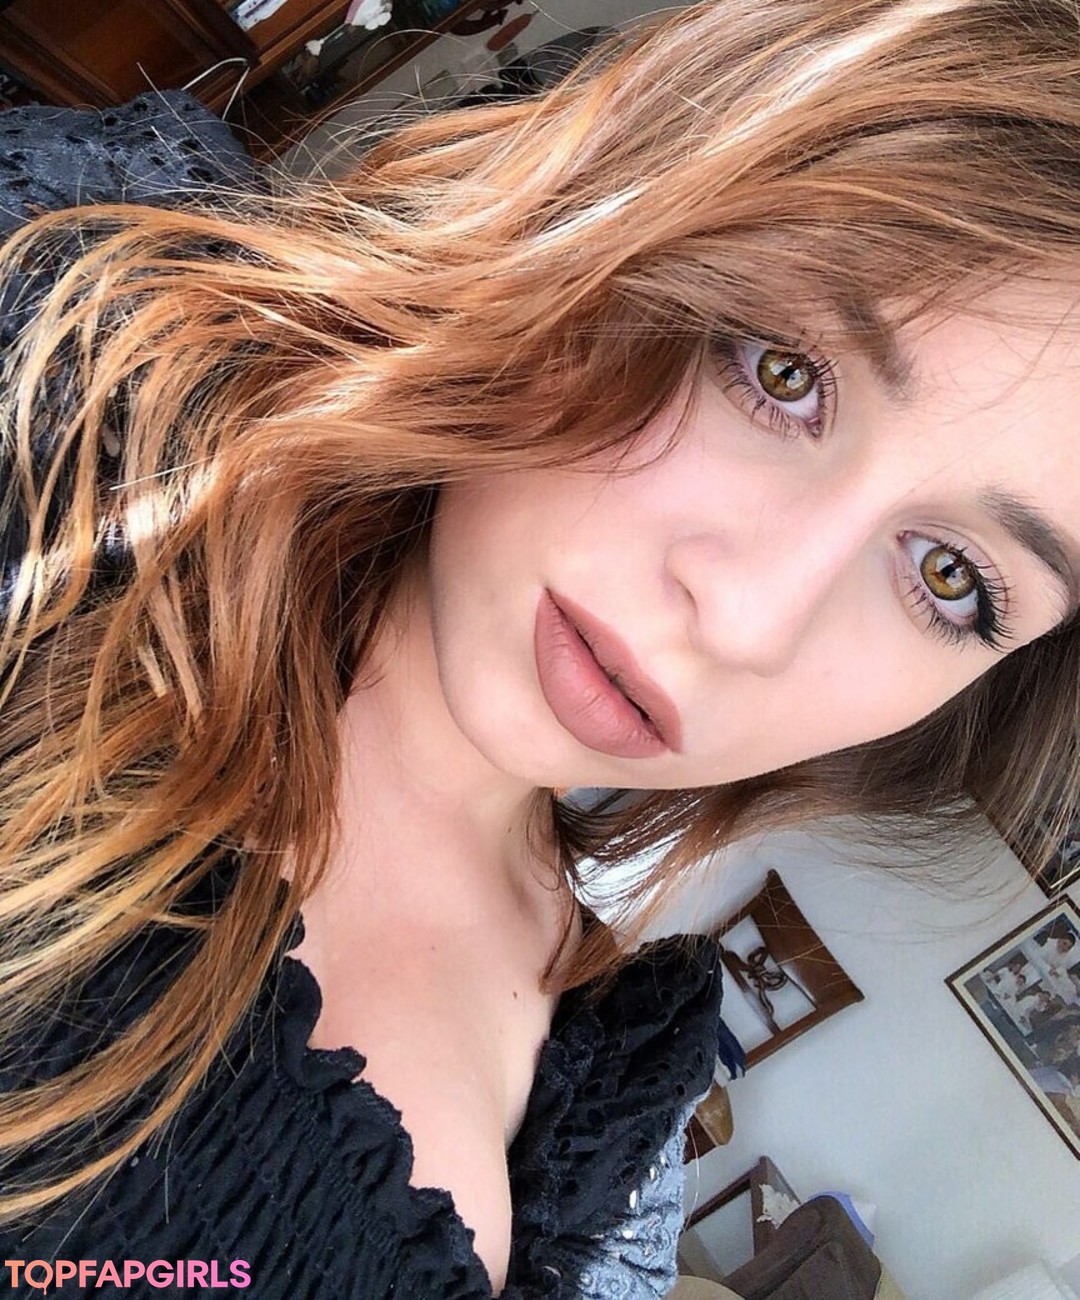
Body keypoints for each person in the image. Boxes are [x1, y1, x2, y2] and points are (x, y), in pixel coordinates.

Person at [2, 0, 1080, 1295]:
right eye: (780, 369)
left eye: (951, 578)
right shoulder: (70, 365)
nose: (747, 619)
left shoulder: (613, 1139)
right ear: (612, 208)